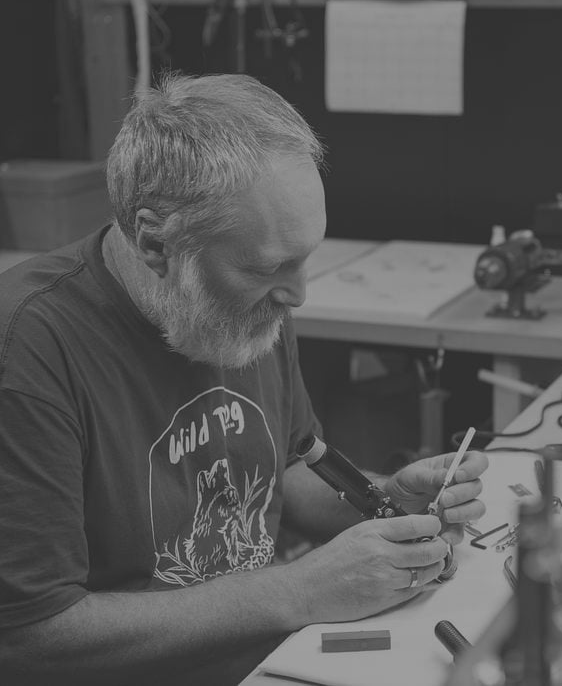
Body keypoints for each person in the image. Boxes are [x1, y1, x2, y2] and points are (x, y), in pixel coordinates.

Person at [0, 73, 488, 685]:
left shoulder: (248, 307)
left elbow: (283, 468)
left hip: (279, 660)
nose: (298, 294)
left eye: (306, 257)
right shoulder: (29, 350)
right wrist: (298, 591)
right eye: (269, 266)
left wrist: (386, 502)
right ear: (156, 242)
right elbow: (28, 635)